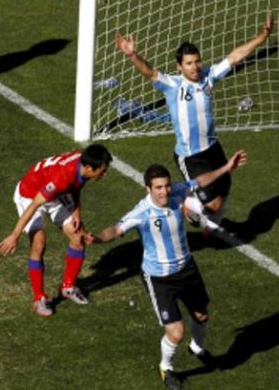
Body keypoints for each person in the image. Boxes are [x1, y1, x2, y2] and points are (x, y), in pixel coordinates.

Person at [89, 150, 247, 389]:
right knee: (176, 333)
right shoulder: (142, 213)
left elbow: (200, 181)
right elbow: (117, 229)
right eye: (158, 188)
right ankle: (167, 368)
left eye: (166, 186)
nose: (164, 192)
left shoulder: (178, 193)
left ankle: (197, 348)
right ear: (148, 189)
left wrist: (227, 168)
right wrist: (97, 238)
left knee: (202, 315)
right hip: (159, 279)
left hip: (187, 268)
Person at [115, 12, 272, 233]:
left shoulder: (209, 77)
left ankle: (211, 227)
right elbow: (149, 72)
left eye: (197, 61)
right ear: (179, 66)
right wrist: (132, 55)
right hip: (191, 156)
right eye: (189, 63)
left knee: (225, 189)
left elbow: (235, 57)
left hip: (213, 147)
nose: (195, 67)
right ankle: (187, 205)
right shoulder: (172, 85)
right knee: (213, 203)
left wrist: (262, 36)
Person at [0, 144, 112, 317]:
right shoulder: (62, 176)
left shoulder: (83, 166)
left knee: (78, 238)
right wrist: (14, 235)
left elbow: (76, 185)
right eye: (102, 171)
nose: (104, 174)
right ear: (89, 168)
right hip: (31, 195)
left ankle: (68, 287)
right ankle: (39, 298)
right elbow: (36, 203)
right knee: (39, 242)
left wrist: (76, 212)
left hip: (56, 194)